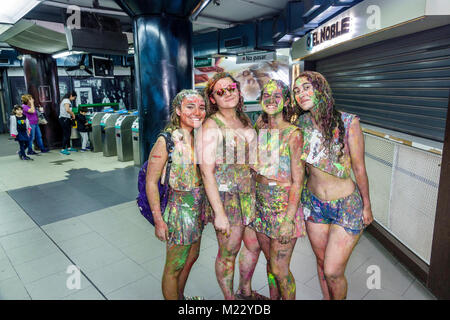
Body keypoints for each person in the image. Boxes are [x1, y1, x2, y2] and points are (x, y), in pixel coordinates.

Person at [292, 71, 374, 300]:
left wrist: (366, 205)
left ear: (321, 89)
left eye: (306, 87)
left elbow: (359, 168)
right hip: (314, 205)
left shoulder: (348, 122)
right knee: (321, 264)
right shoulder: (300, 124)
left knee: (333, 271)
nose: (301, 94)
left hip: (346, 206)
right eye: (296, 91)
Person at [198, 72, 266, 300]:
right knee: (229, 251)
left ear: (239, 90)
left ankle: (244, 290)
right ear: (213, 99)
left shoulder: (244, 120)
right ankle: (230, 300)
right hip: (227, 199)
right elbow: (206, 172)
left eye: (232, 88)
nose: (228, 93)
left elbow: (253, 158)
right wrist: (219, 214)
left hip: (250, 193)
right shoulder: (211, 125)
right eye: (221, 91)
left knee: (254, 245)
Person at [146, 89, 207, 300]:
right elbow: (151, 182)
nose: (197, 112)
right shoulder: (167, 141)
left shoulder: (199, 138)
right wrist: (158, 220)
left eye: (201, 107)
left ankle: (180, 297)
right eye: (190, 107)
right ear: (179, 111)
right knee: (175, 265)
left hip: (198, 210)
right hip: (179, 210)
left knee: (192, 256)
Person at [252, 79, 305, 300]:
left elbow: (298, 180)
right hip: (261, 204)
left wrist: (288, 219)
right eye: (267, 95)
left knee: (281, 269)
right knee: (271, 264)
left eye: (277, 96)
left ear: (285, 101)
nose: (271, 100)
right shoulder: (260, 127)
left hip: (284, 208)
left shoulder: (294, 134)